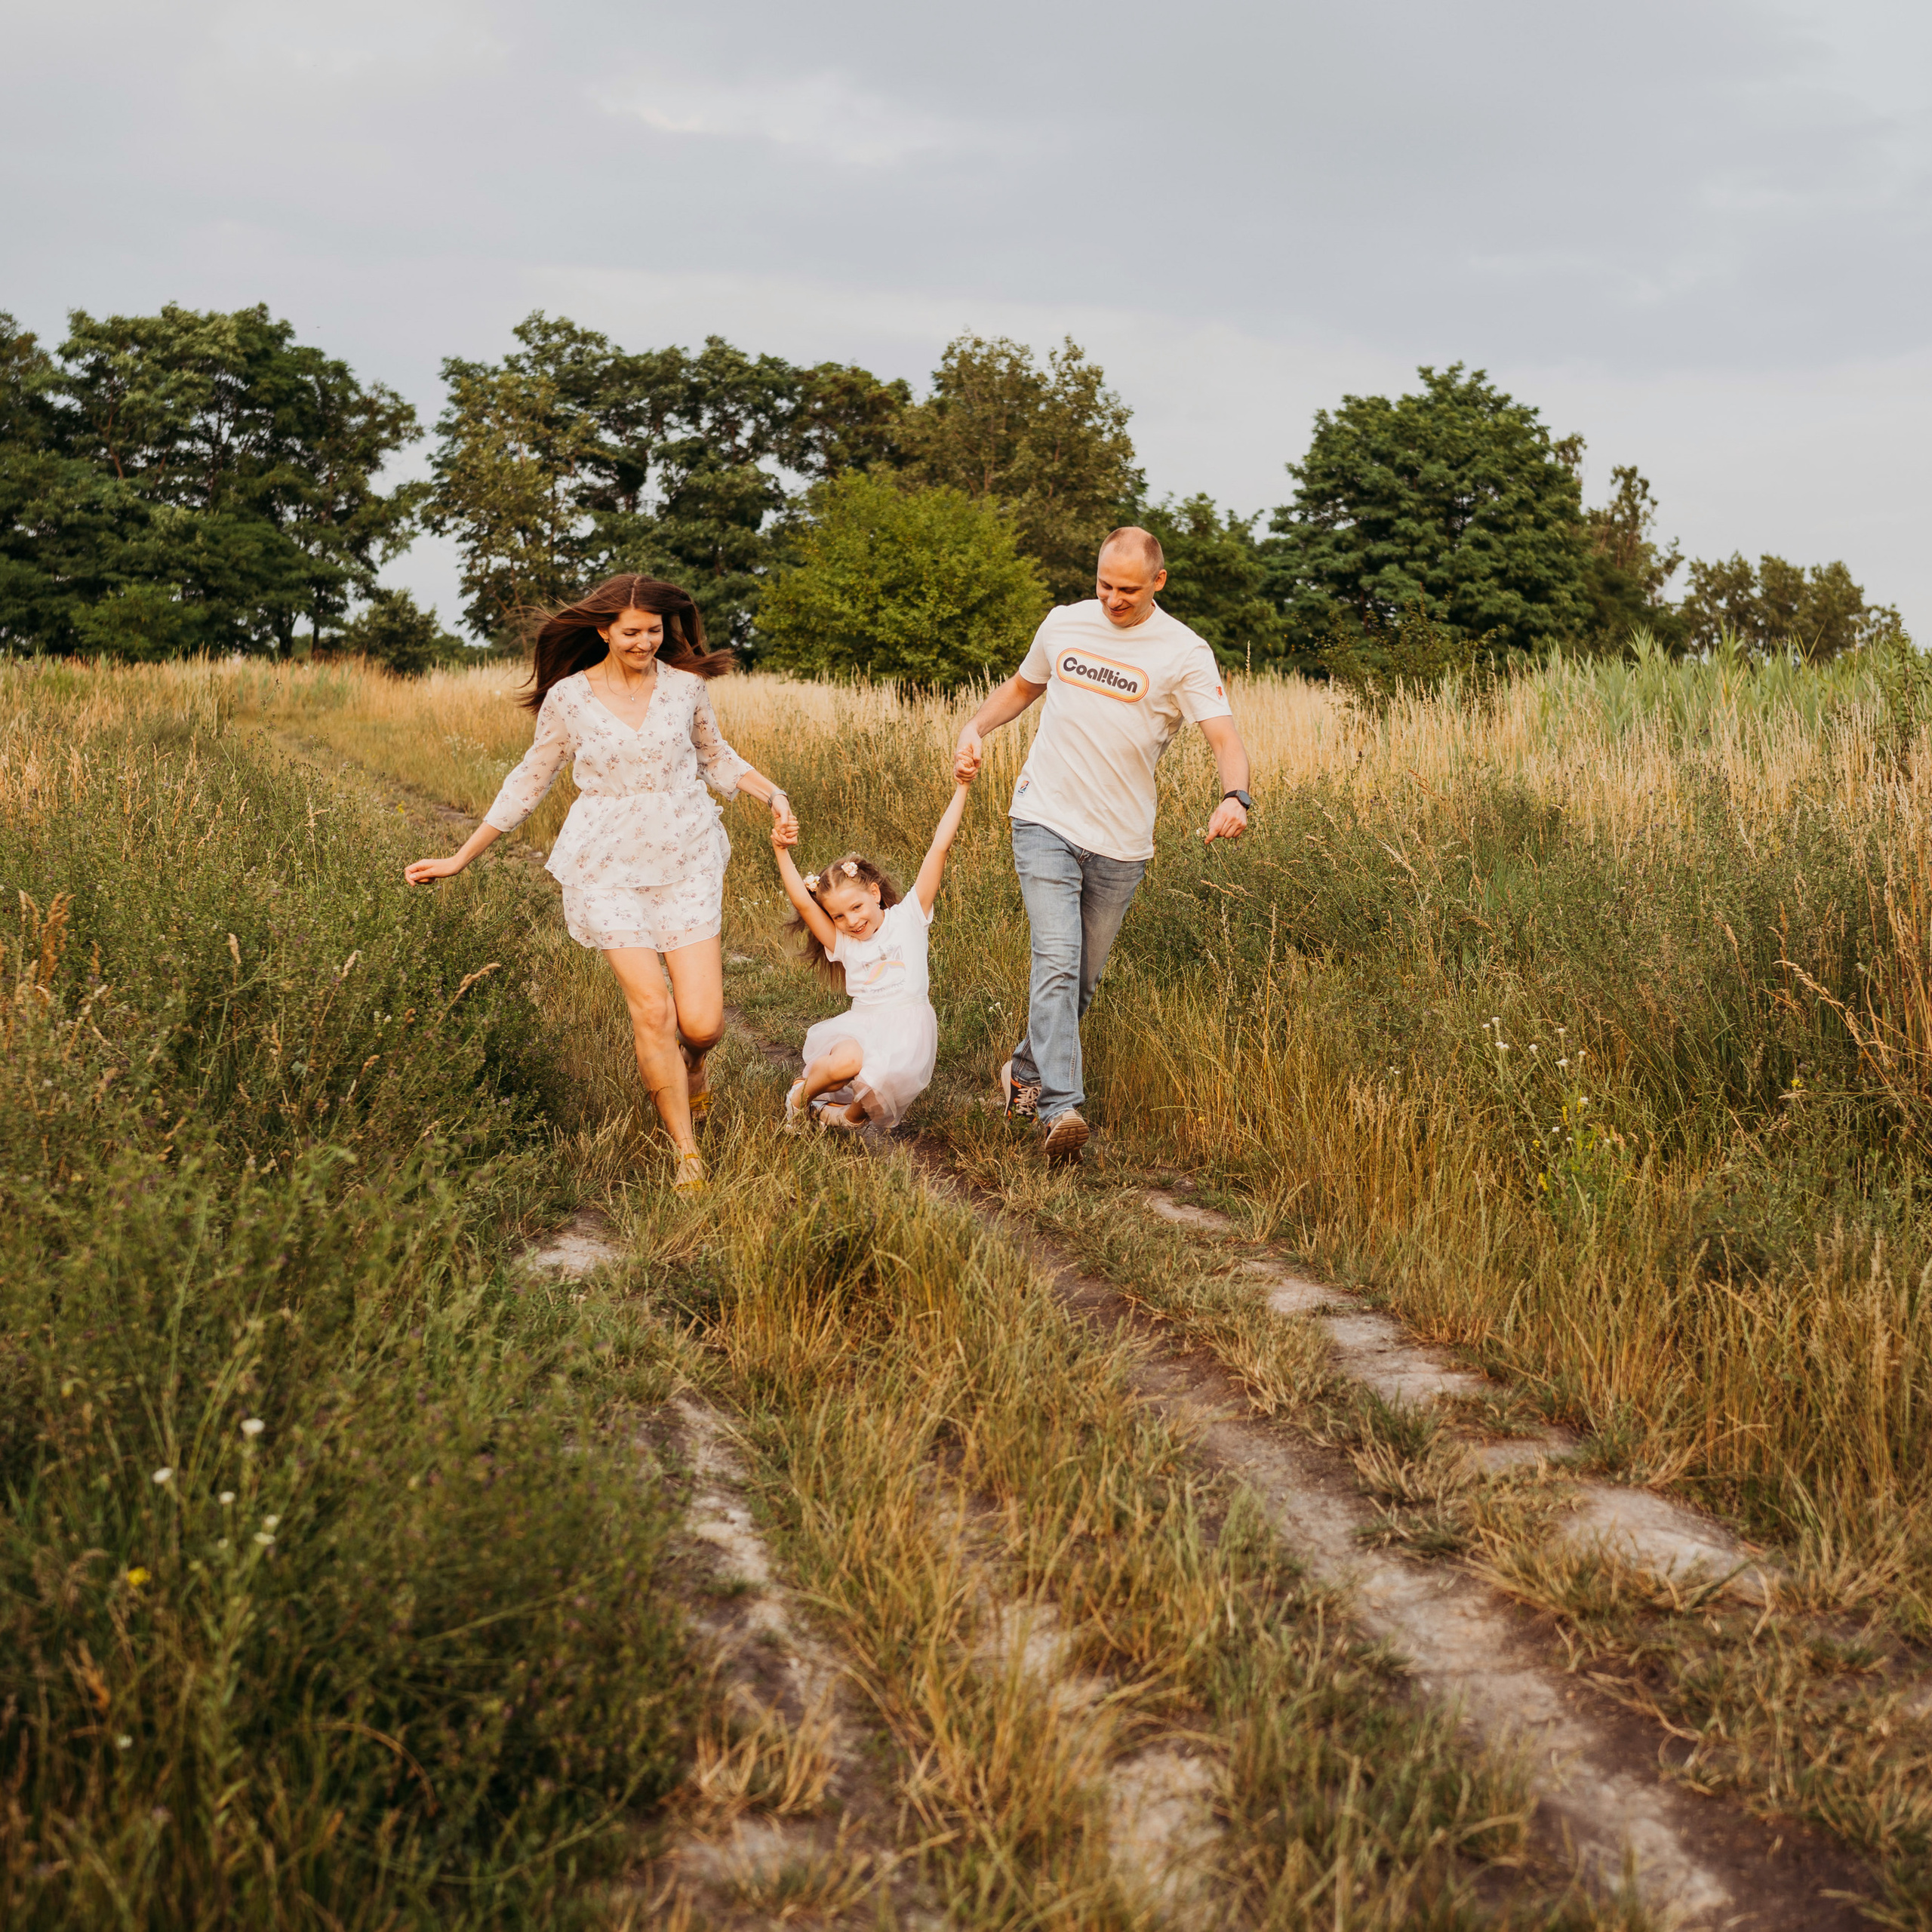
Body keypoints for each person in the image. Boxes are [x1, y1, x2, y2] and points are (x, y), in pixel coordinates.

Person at [404, 573, 795, 1196]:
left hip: (685, 854)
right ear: (603, 631)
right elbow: (528, 781)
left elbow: (715, 755)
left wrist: (772, 794)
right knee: (652, 1010)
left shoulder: (686, 688)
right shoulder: (569, 698)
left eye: (654, 630)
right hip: (606, 864)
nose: (645, 642)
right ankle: (686, 1156)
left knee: (702, 1025)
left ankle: (691, 1066)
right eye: (632, 632)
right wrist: (460, 857)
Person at [952, 528, 1252, 1161]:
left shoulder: (1184, 652)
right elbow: (1022, 688)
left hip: (1122, 842)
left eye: (1128, 590)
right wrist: (974, 727)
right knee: (1056, 961)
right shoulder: (1064, 624)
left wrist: (1235, 797)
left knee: (1079, 983)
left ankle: (1023, 1075)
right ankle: (1062, 1110)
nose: (1114, 600)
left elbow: (1224, 738)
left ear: (1158, 582)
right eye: (1105, 585)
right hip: (1044, 817)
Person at [769, 777, 974, 1133]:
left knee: (879, 1097)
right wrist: (781, 850)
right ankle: (802, 1096)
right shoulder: (843, 942)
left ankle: (840, 1119)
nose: (852, 921)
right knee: (844, 1066)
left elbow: (939, 848)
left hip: (908, 1028)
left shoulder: (910, 917)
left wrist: (962, 788)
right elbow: (804, 902)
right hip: (864, 1024)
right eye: (839, 916)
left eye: (857, 907)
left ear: (876, 893)